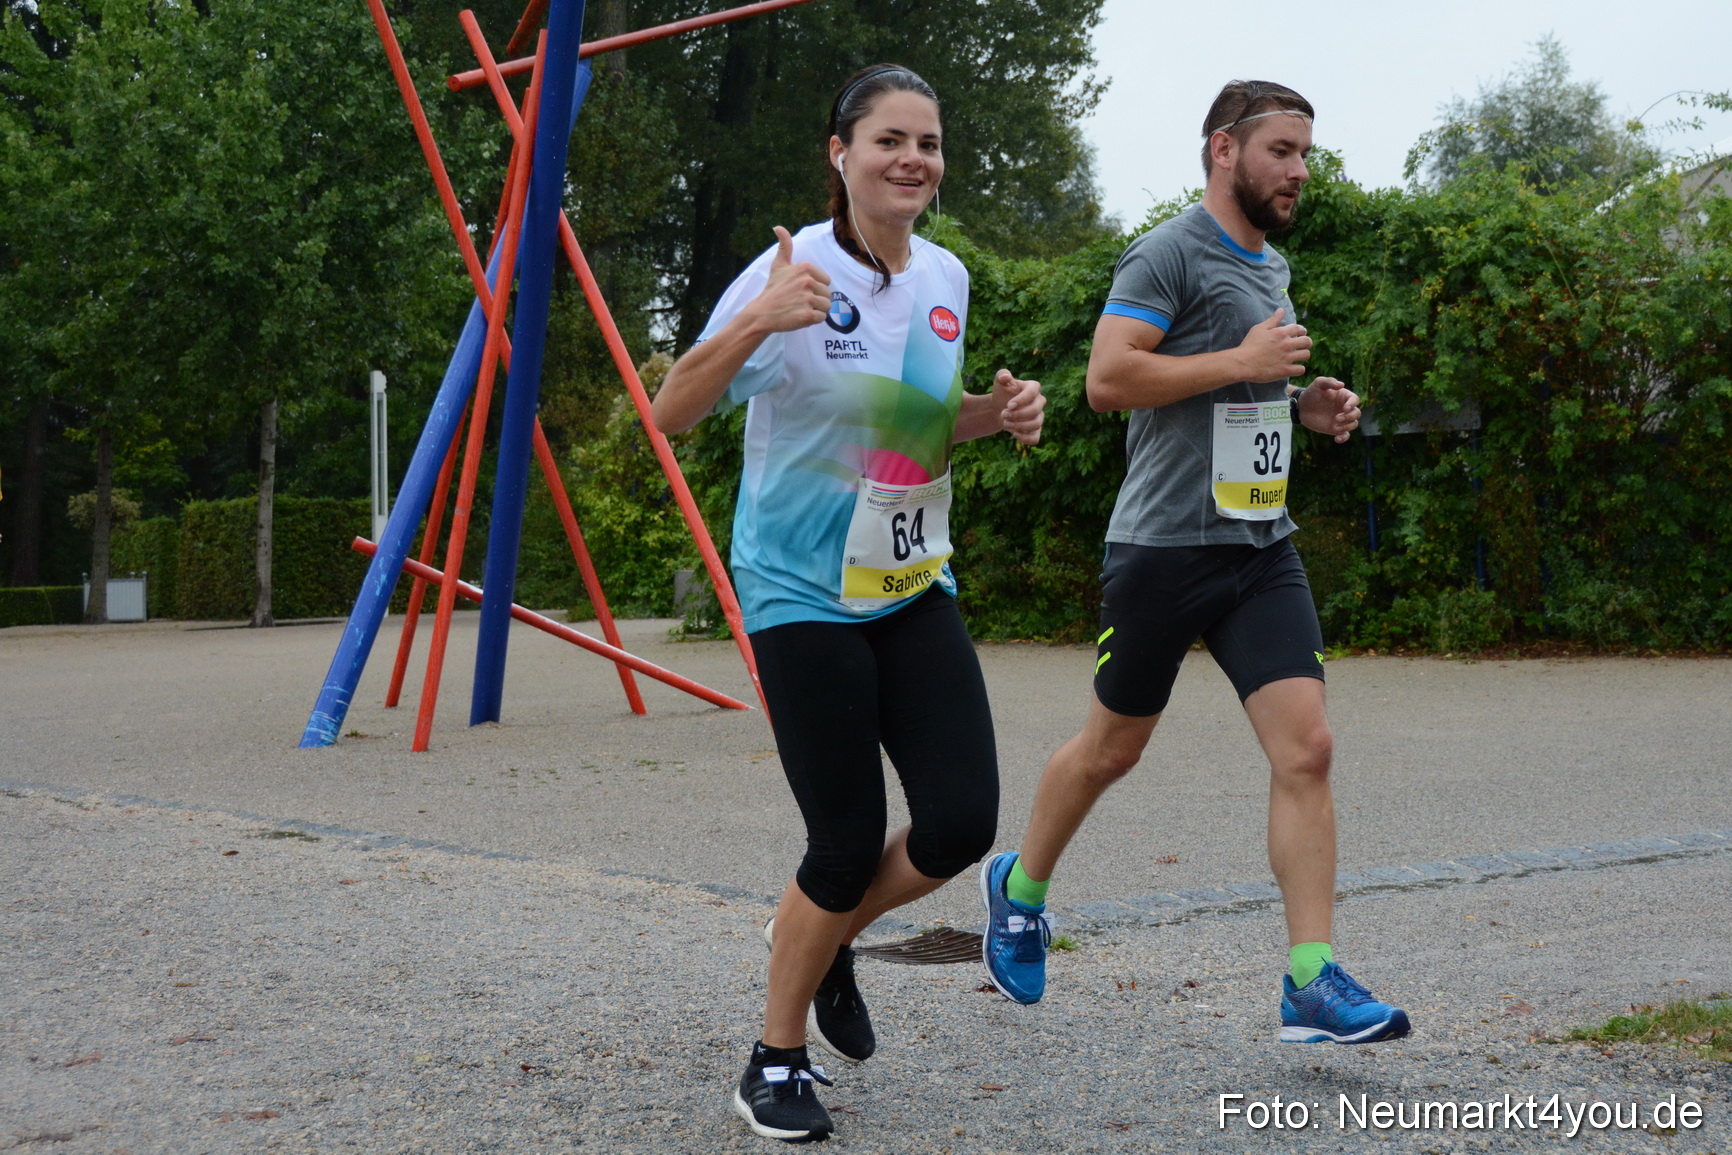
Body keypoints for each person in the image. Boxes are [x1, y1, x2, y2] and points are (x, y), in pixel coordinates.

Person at [652, 64, 1046, 1143]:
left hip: (910, 581)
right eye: (888, 140)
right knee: (842, 840)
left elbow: (918, 424)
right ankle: (773, 1060)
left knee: (962, 820)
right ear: (840, 152)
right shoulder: (791, 269)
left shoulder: (947, 277)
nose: (911, 159)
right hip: (798, 593)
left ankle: (822, 944)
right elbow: (672, 411)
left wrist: (995, 411)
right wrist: (757, 320)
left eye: (927, 141)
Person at [979, 79, 1410, 1046]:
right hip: (1165, 548)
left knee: (1309, 748)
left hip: (1260, 545)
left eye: (1306, 152)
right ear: (1224, 149)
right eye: (1282, 151)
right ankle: (1020, 886)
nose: (1300, 170)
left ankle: (1309, 977)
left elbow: (1240, 391)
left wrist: (1305, 406)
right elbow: (1107, 379)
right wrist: (1240, 358)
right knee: (1111, 750)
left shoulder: (1274, 266)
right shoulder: (1167, 251)